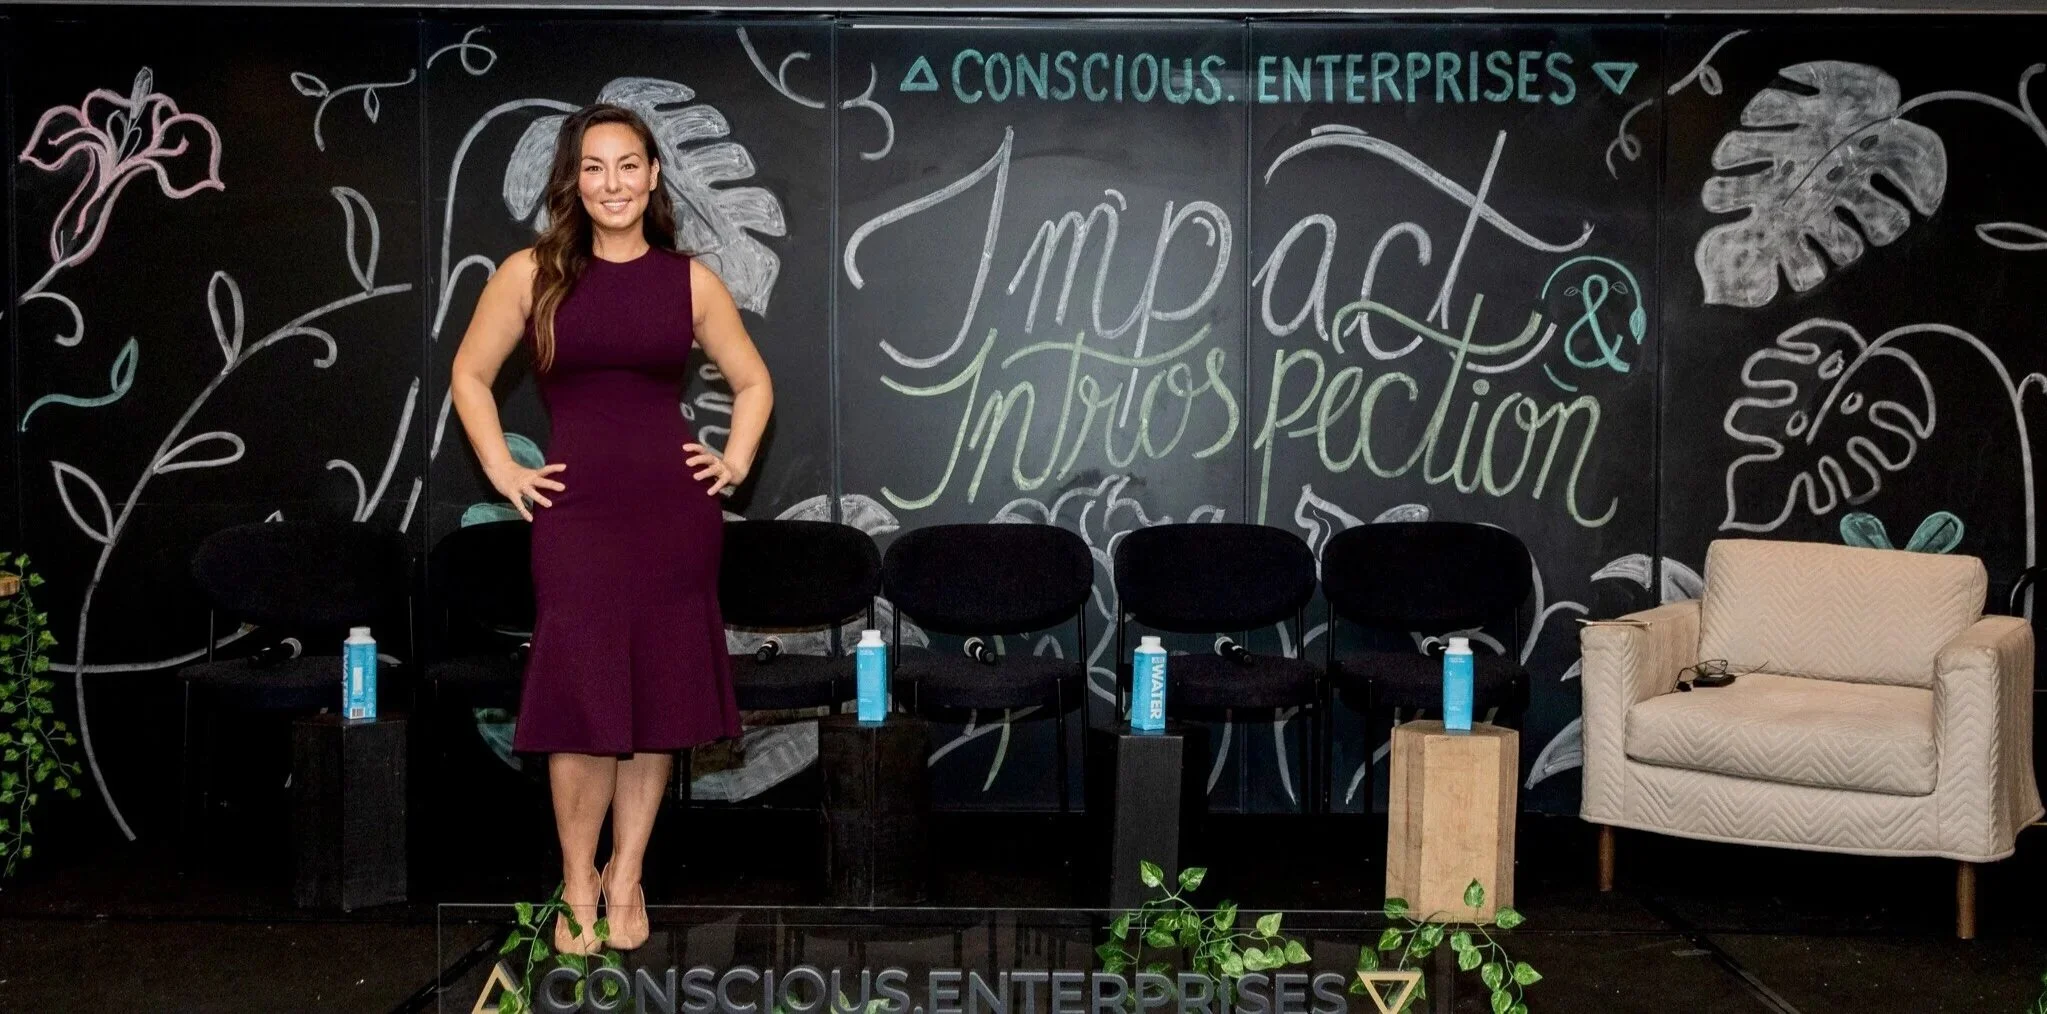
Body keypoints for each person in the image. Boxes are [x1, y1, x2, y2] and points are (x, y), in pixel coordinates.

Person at [449, 103, 773, 954]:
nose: (612, 183)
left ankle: (626, 875)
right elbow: (470, 375)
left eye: (627, 165)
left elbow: (754, 382)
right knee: (583, 701)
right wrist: (503, 470)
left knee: (656, 701)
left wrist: (733, 462)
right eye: (593, 167)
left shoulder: (689, 281)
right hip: (578, 517)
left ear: (653, 175)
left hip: (673, 516)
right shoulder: (530, 273)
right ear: (574, 181)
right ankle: (577, 879)